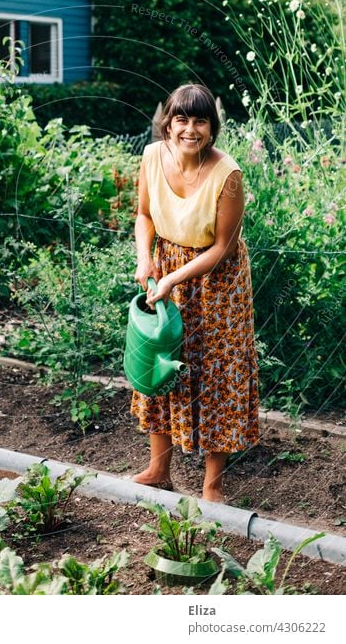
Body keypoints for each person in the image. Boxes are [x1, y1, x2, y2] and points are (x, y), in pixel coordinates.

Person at [131, 83, 259, 502]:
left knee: (215, 374)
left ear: (212, 128)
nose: (190, 129)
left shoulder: (229, 175)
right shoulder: (152, 157)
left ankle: (213, 484)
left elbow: (222, 247)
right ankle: (158, 469)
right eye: (181, 119)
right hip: (166, 267)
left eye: (200, 120)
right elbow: (144, 214)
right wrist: (145, 259)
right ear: (167, 124)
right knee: (158, 362)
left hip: (216, 282)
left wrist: (172, 279)